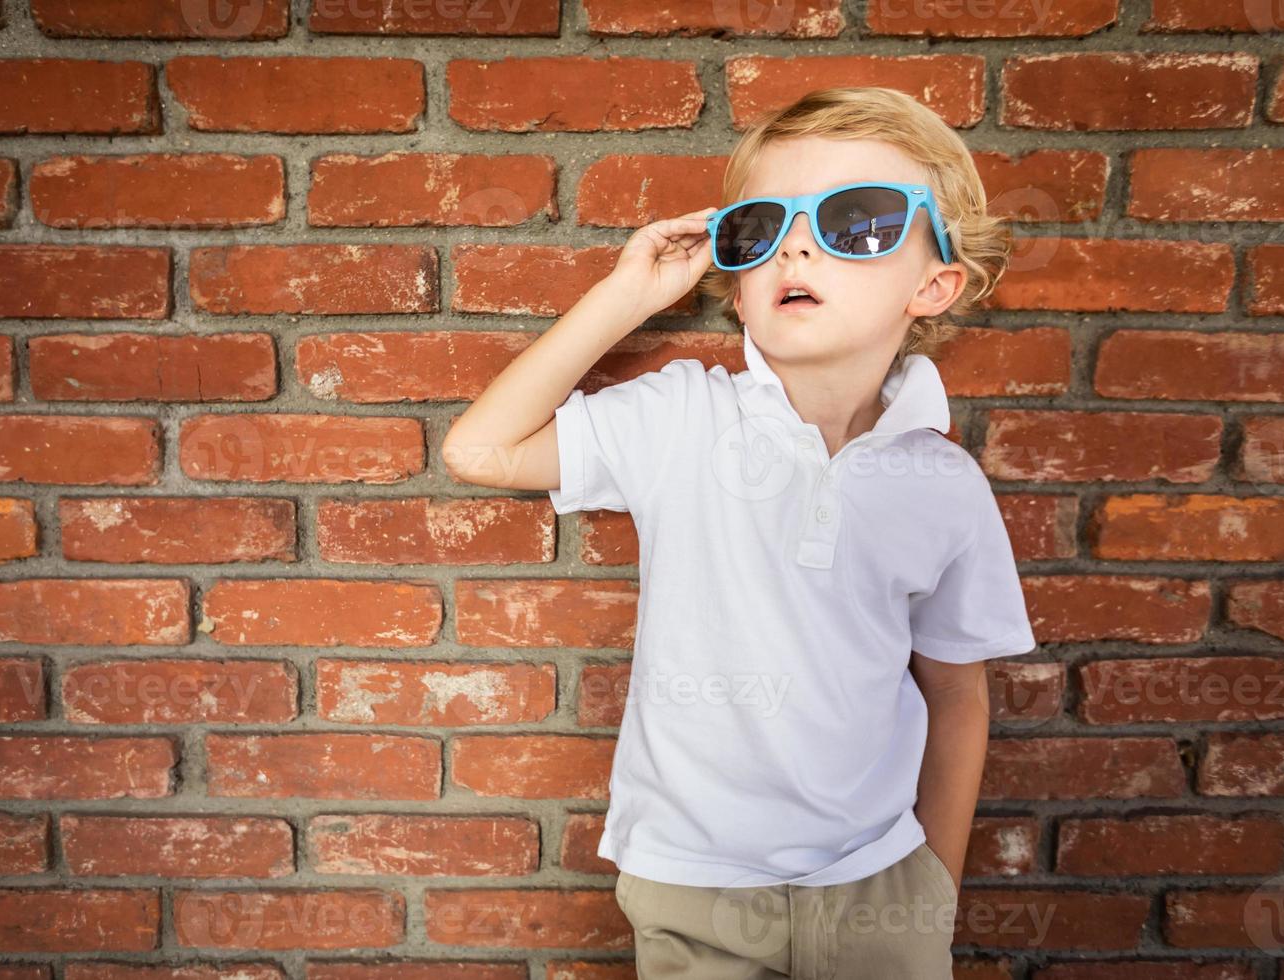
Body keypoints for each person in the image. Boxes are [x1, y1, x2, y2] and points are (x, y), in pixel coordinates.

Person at [441, 85, 1036, 979]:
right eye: (763, 226)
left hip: (881, 888)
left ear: (935, 282)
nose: (799, 243)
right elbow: (481, 448)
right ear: (739, 286)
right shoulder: (681, 417)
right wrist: (625, 296)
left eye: (859, 220)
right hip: (692, 890)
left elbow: (957, 694)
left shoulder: (946, 484)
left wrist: (933, 887)